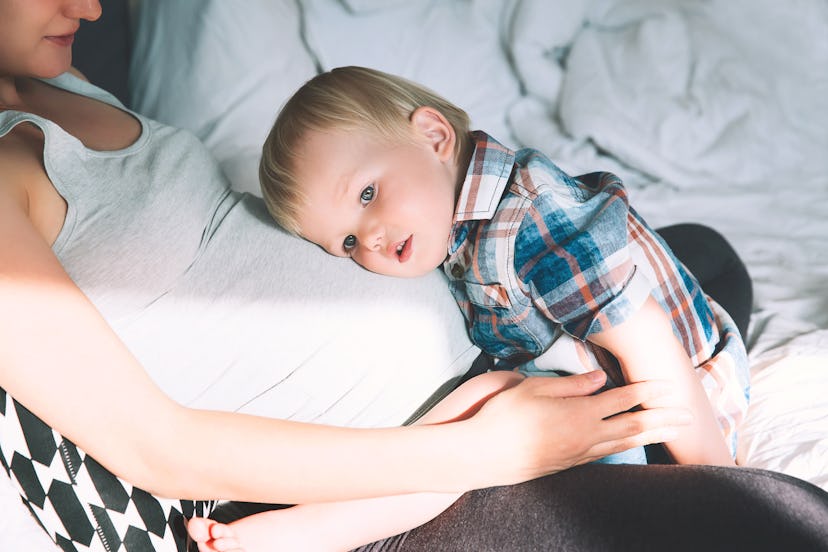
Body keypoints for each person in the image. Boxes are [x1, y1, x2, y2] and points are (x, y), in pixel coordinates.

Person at [0, 1, 712, 550]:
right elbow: (154, 446)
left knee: (694, 258)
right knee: (777, 515)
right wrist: (486, 448)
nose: (92, 11)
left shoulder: (58, 80)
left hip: (492, 346)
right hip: (417, 467)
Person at [258, 66, 750, 466]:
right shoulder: (445, 233)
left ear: (433, 136)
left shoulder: (528, 219)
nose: (370, 238)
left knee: (709, 256)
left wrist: (720, 482)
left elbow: (650, 342)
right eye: (346, 242)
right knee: (694, 248)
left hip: (673, 396)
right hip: (582, 401)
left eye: (367, 194)